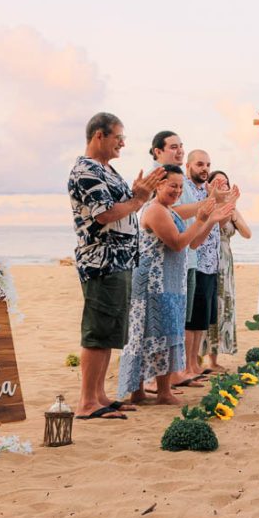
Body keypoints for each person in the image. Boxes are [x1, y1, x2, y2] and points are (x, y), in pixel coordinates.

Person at [67, 112, 165, 420]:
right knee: (98, 331)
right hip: (102, 261)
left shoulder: (107, 169)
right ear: (99, 135)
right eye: (118, 136)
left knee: (110, 332)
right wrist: (139, 200)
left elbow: (124, 203)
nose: (123, 142)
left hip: (120, 260)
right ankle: (86, 402)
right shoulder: (86, 171)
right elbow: (105, 214)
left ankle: (99, 396)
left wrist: (136, 193)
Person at [117, 165, 233, 405]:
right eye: (173, 186)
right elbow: (177, 243)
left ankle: (158, 391)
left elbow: (193, 242)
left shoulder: (171, 211)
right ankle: (150, 392)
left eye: (180, 187)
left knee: (167, 333)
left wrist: (211, 220)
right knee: (148, 333)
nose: (177, 191)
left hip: (171, 283)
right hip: (152, 282)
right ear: (158, 185)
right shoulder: (155, 210)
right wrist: (201, 217)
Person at [201, 169, 252, 370]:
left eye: (226, 182)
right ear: (210, 185)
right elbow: (217, 225)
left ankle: (214, 358)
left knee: (224, 306)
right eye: (218, 182)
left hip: (226, 260)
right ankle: (202, 357)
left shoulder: (232, 208)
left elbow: (247, 233)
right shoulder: (208, 205)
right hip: (210, 257)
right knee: (211, 306)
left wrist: (234, 211)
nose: (223, 185)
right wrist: (228, 205)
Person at [184, 148, 218, 376]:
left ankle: (195, 364)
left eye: (207, 164)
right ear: (189, 166)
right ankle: (188, 365)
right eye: (199, 164)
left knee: (201, 319)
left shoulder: (204, 192)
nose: (205, 168)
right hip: (194, 260)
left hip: (210, 262)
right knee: (192, 318)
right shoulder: (187, 192)